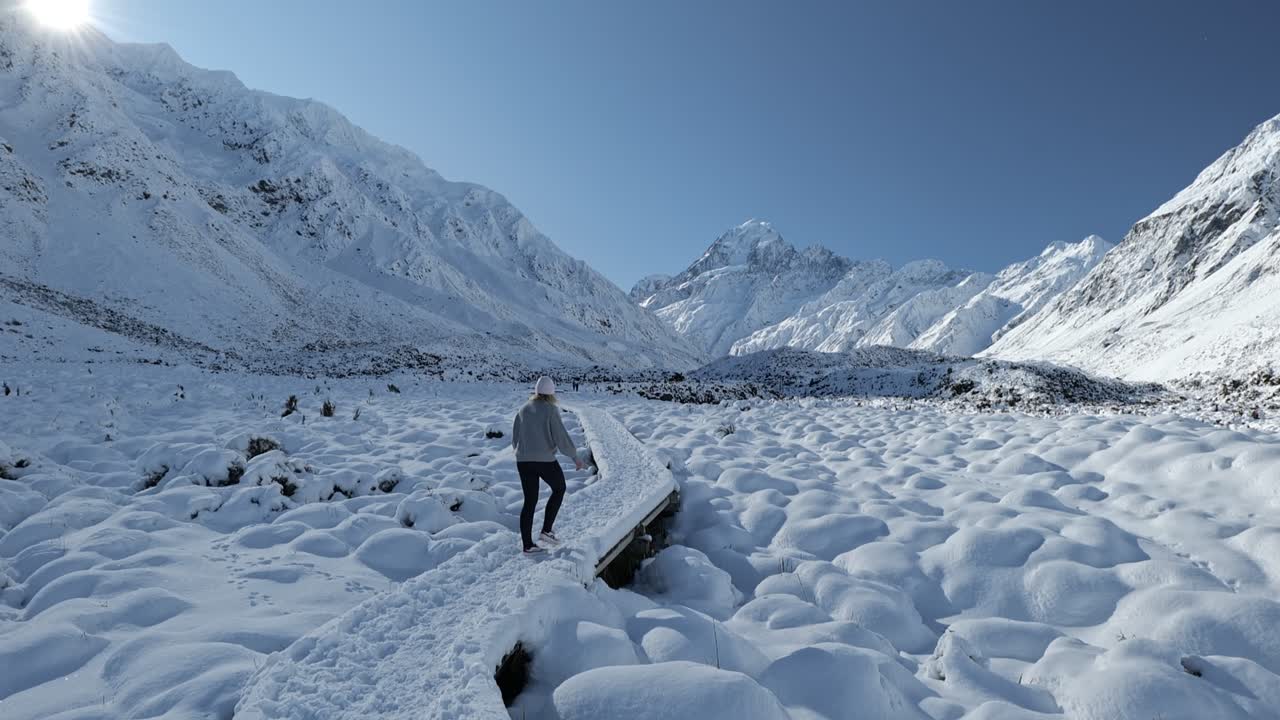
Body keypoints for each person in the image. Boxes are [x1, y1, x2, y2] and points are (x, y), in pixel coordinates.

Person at [512, 376, 583, 554]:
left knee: (529, 501)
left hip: (523, 461)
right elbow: (561, 437)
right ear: (551, 393)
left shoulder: (523, 409)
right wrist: (574, 456)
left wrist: (524, 453)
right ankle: (546, 530)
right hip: (545, 460)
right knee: (559, 488)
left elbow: (515, 438)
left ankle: (527, 545)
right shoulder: (550, 410)